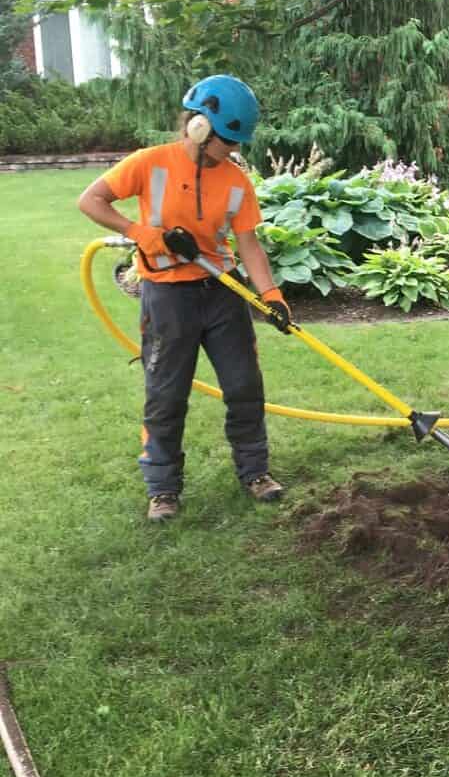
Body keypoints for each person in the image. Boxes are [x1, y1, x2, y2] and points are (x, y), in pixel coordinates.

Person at [78, 75, 291, 522]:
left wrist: (270, 294)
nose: (232, 150)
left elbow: (248, 243)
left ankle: (255, 472)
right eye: (227, 141)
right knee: (166, 396)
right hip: (167, 297)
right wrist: (140, 233)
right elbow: (91, 200)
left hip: (222, 293)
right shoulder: (150, 163)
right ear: (199, 127)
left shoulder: (236, 181)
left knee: (244, 387)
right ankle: (163, 490)